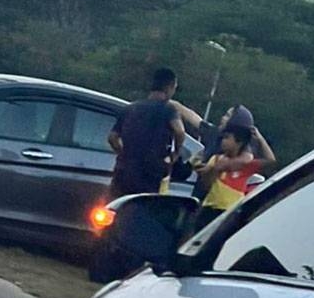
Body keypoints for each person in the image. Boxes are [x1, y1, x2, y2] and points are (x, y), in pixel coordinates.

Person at [107, 67, 187, 199]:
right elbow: (180, 131)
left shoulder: (130, 108)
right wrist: (175, 154)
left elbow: (112, 137)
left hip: (124, 170)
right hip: (150, 172)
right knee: (143, 209)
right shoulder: (168, 109)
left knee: (117, 208)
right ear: (170, 87)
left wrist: (124, 153)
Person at [192, 124, 276, 230]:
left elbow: (270, 160)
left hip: (230, 212)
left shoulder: (244, 166)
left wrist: (260, 139)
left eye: (227, 138)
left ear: (239, 142)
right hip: (210, 209)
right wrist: (214, 170)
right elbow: (206, 185)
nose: (223, 141)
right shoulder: (216, 159)